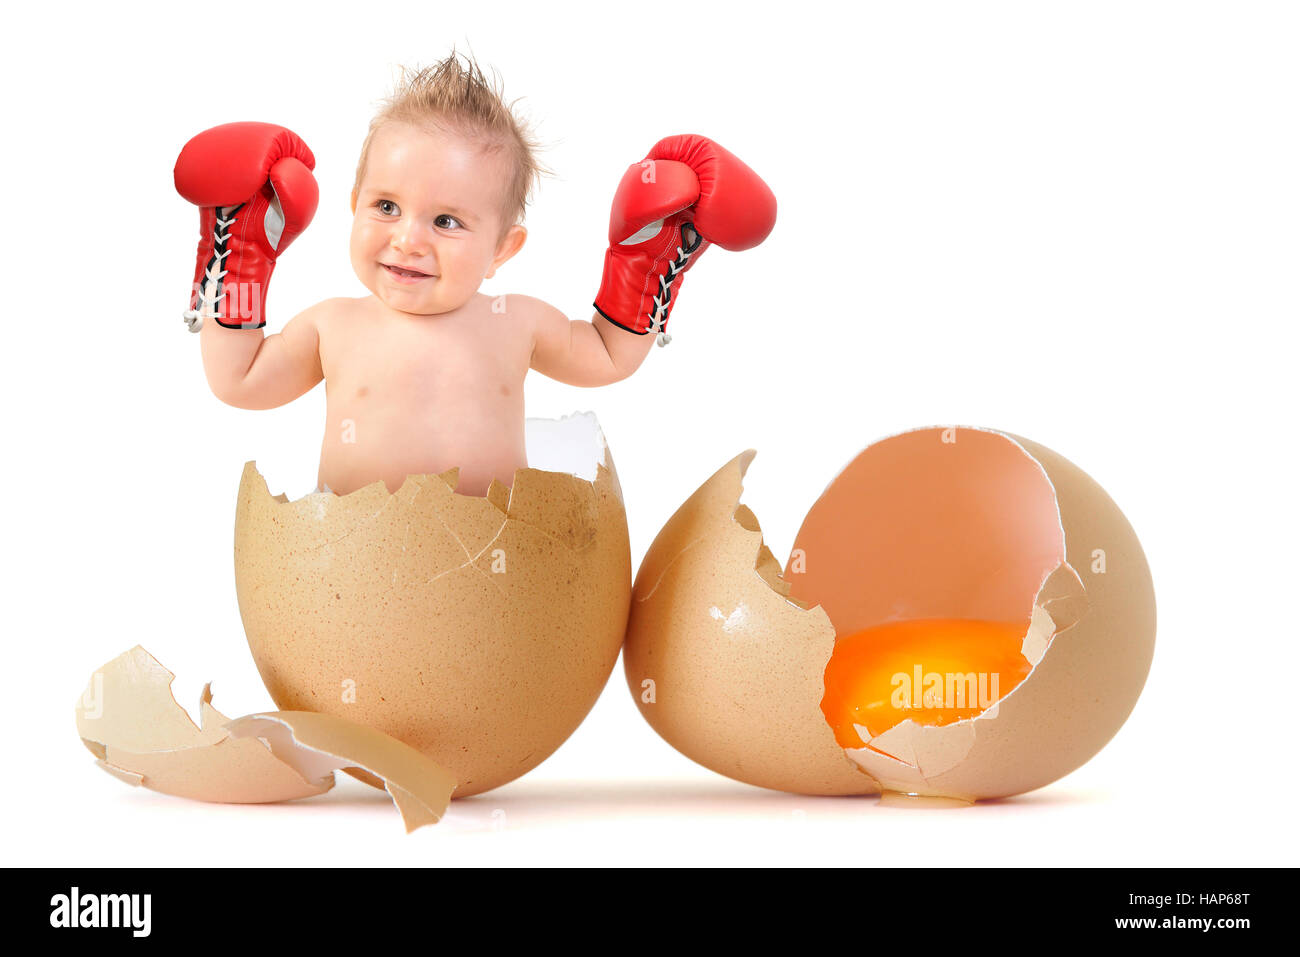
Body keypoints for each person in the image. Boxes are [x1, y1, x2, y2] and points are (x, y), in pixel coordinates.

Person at [175, 53, 776, 496]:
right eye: (385, 206)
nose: (407, 239)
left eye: (446, 221)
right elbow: (240, 381)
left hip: (492, 581)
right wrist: (241, 265)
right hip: (352, 576)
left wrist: (642, 266)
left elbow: (609, 357)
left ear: (502, 250)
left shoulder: (514, 321)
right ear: (352, 202)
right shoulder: (333, 324)